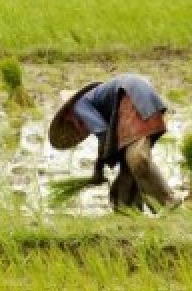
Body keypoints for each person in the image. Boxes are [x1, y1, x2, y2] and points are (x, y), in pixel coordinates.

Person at [48, 73, 179, 212]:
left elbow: (103, 133)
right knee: (129, 162)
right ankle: (127, 209)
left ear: (69, 112)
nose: (75, 124)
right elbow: (109, 138)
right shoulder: (101, 104)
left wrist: (98, 170)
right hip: (143, 96)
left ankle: (168, 201)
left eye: (70, 122)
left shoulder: (80, 105)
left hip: (131, 96)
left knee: (137, 158)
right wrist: (101, 165)